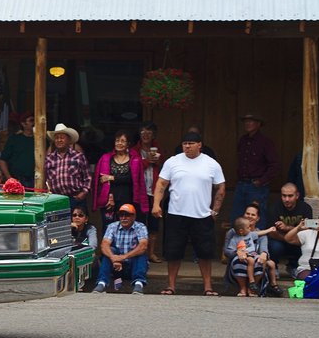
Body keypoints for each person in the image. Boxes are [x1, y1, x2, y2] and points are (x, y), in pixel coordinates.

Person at [153, 129, 226, 296]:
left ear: (199, 145)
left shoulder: (211, 163)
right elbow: (161, 184)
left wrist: (215, 210)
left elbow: (221, 188)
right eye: (185, 144)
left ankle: (208, 286)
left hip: (202, 215)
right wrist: (156, 204)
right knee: (173, 251)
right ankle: (171, 285)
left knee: (205, 252)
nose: (187, 147)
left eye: (191, 144)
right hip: (176, 213)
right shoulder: (173, 162)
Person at [92, 130, 146, 229]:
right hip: (109, 200)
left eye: (122, 141)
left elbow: (131, 179)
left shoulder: (135, 159)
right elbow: (101, 179)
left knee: (126, 227)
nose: (119, 143)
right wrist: (110, 197)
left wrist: (111, 177)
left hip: (127, 198)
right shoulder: (106, 158)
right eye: (117, 141)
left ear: (128, 144)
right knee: (108, 227)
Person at [231, 112, 279, 222]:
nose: (247, 124)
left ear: (258, 124)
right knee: (237, 217)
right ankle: (236, 239)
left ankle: (257, 239)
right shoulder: (243, 140)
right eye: (245, 122)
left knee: (256, 218)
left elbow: (275, 165)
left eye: (250, 121)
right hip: (241, 183)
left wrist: (261, 181)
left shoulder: (265, 142)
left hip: (257, 187)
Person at [91, 204, 149, 294]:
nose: (123, 218)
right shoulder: (112, 226)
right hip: (116, 266)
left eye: (127, 215)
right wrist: (113, 258)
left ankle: (138, 284)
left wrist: (122, 257)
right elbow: (104, 245)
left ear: (134, 216)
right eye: (121, 215)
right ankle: (101, 283)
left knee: (141, 254)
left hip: (133, 264)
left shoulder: (140, 227)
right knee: (110, 250)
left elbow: (143, 246)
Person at [261, 182, 312, 278]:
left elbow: (308, 231)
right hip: (279, 240)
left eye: (290, 196)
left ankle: (294, 267)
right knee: (274, 246)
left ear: (297, 196)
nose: (286, 199)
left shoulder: (306, 208)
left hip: (298, 240)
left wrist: (287, 228)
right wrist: (288, 238)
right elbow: (271, 232)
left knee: (306, 244)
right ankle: (273, 267)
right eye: (284, 196)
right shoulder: (274, 208)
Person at [223, 216, 277, 296]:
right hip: (243, 256)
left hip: (253, 254)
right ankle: (244, 288)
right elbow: (229, 250)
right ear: (241, 231)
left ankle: (252, 287)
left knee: (259, 261)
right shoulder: (234, 239)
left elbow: (260, 233)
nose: (250, 229)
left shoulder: (250, 234)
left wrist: (269, 230)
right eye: (248, 227)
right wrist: (238, 252)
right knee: (241, 261)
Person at [133, 122, 164, 261]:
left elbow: (164, 169)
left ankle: (151, 253)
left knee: (154, 224)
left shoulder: (158, 149)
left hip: (154, 191)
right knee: (139, 222)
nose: (145, 135)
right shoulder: (134, 150)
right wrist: (146, 161)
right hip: (140, 191)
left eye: (149, 133)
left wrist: (158, 161)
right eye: (143, 132)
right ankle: (140, 252)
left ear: (153, 135)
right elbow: (133, 168)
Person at [44, 123, 91, 210]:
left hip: (75, 198)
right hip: (57, 199)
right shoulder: (49, 158)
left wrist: (84, 192)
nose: (59, 140)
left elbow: (87, 177)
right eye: (57, 138)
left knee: (77, 222)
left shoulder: (78, 156)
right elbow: (46, 179)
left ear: (68, 140)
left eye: (62, 137)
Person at [287, 133, 319, 204]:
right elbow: (292, 177)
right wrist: (291, 196)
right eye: (317, 139)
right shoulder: (300, 157)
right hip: (302, 196)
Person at [0, 112, 36, 188]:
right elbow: (2, 160)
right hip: (18, 179)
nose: (34, 123)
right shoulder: (14, 139)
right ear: (23, 124)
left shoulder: (40, 140)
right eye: (31, 120)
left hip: (36, 179)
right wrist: (9, 178)